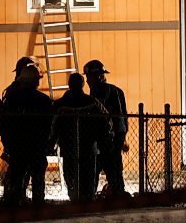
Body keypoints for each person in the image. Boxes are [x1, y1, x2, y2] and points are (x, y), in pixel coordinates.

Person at [50, 73, 113, 202]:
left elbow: (53, 124)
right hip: (89, 145)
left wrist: (53, 140)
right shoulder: (92, 102)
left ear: (69, 85)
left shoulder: (61, 104)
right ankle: (88, 199)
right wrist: (103, 138)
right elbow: (107, 120)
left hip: (68, 144)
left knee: (70, 174)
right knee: (89, 174)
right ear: (83, 84)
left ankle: (74, 197)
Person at [0, 64, 53, 206]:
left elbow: (4, 124)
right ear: (36, 81)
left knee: (17, 176)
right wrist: (48, 143)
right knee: (38, 177)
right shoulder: (44, 100)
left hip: (18, 147)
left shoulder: (12, 100)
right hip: (37, 146)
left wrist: (8, 145)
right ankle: (38, 205)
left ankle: (15, 205)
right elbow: (49, 125)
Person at [83, 60, 129, 196]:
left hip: (104, 136)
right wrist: (124, 136)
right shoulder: (117, 90)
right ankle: (118, 191)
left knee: (98, 166)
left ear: (97, 76)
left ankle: (91, 195)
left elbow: (97, 113)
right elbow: (124, 116)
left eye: (88, 77)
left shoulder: (98, 92)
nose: (87, 80)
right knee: (115, 166)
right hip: (118, 134)